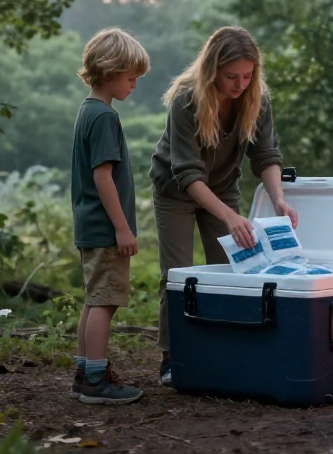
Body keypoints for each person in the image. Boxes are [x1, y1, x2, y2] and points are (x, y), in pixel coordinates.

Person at [149, 26, 298, 387]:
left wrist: (278, 197)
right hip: (177, 191)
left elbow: (266, 154)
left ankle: (223, 347)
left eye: (248, 76)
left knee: (235, 268)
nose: (240, 84)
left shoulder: (257, 98)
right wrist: (230, 217)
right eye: (232, 76)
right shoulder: (187, 99)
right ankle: (174, 357)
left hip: (223, 187)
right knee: (178, 273)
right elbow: (186, 173)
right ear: (213, 68)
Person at [70, 27, 149, 405]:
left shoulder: (89, 111)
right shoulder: (104, 117)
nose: (134, 84)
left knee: (94, 298)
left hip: (90, 226)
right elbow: (103, 177)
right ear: (110, 71)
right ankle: (97, 381)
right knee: (105, 300)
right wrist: (122, 228)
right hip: (105, 227)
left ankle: (85, 371)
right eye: (131, 77)